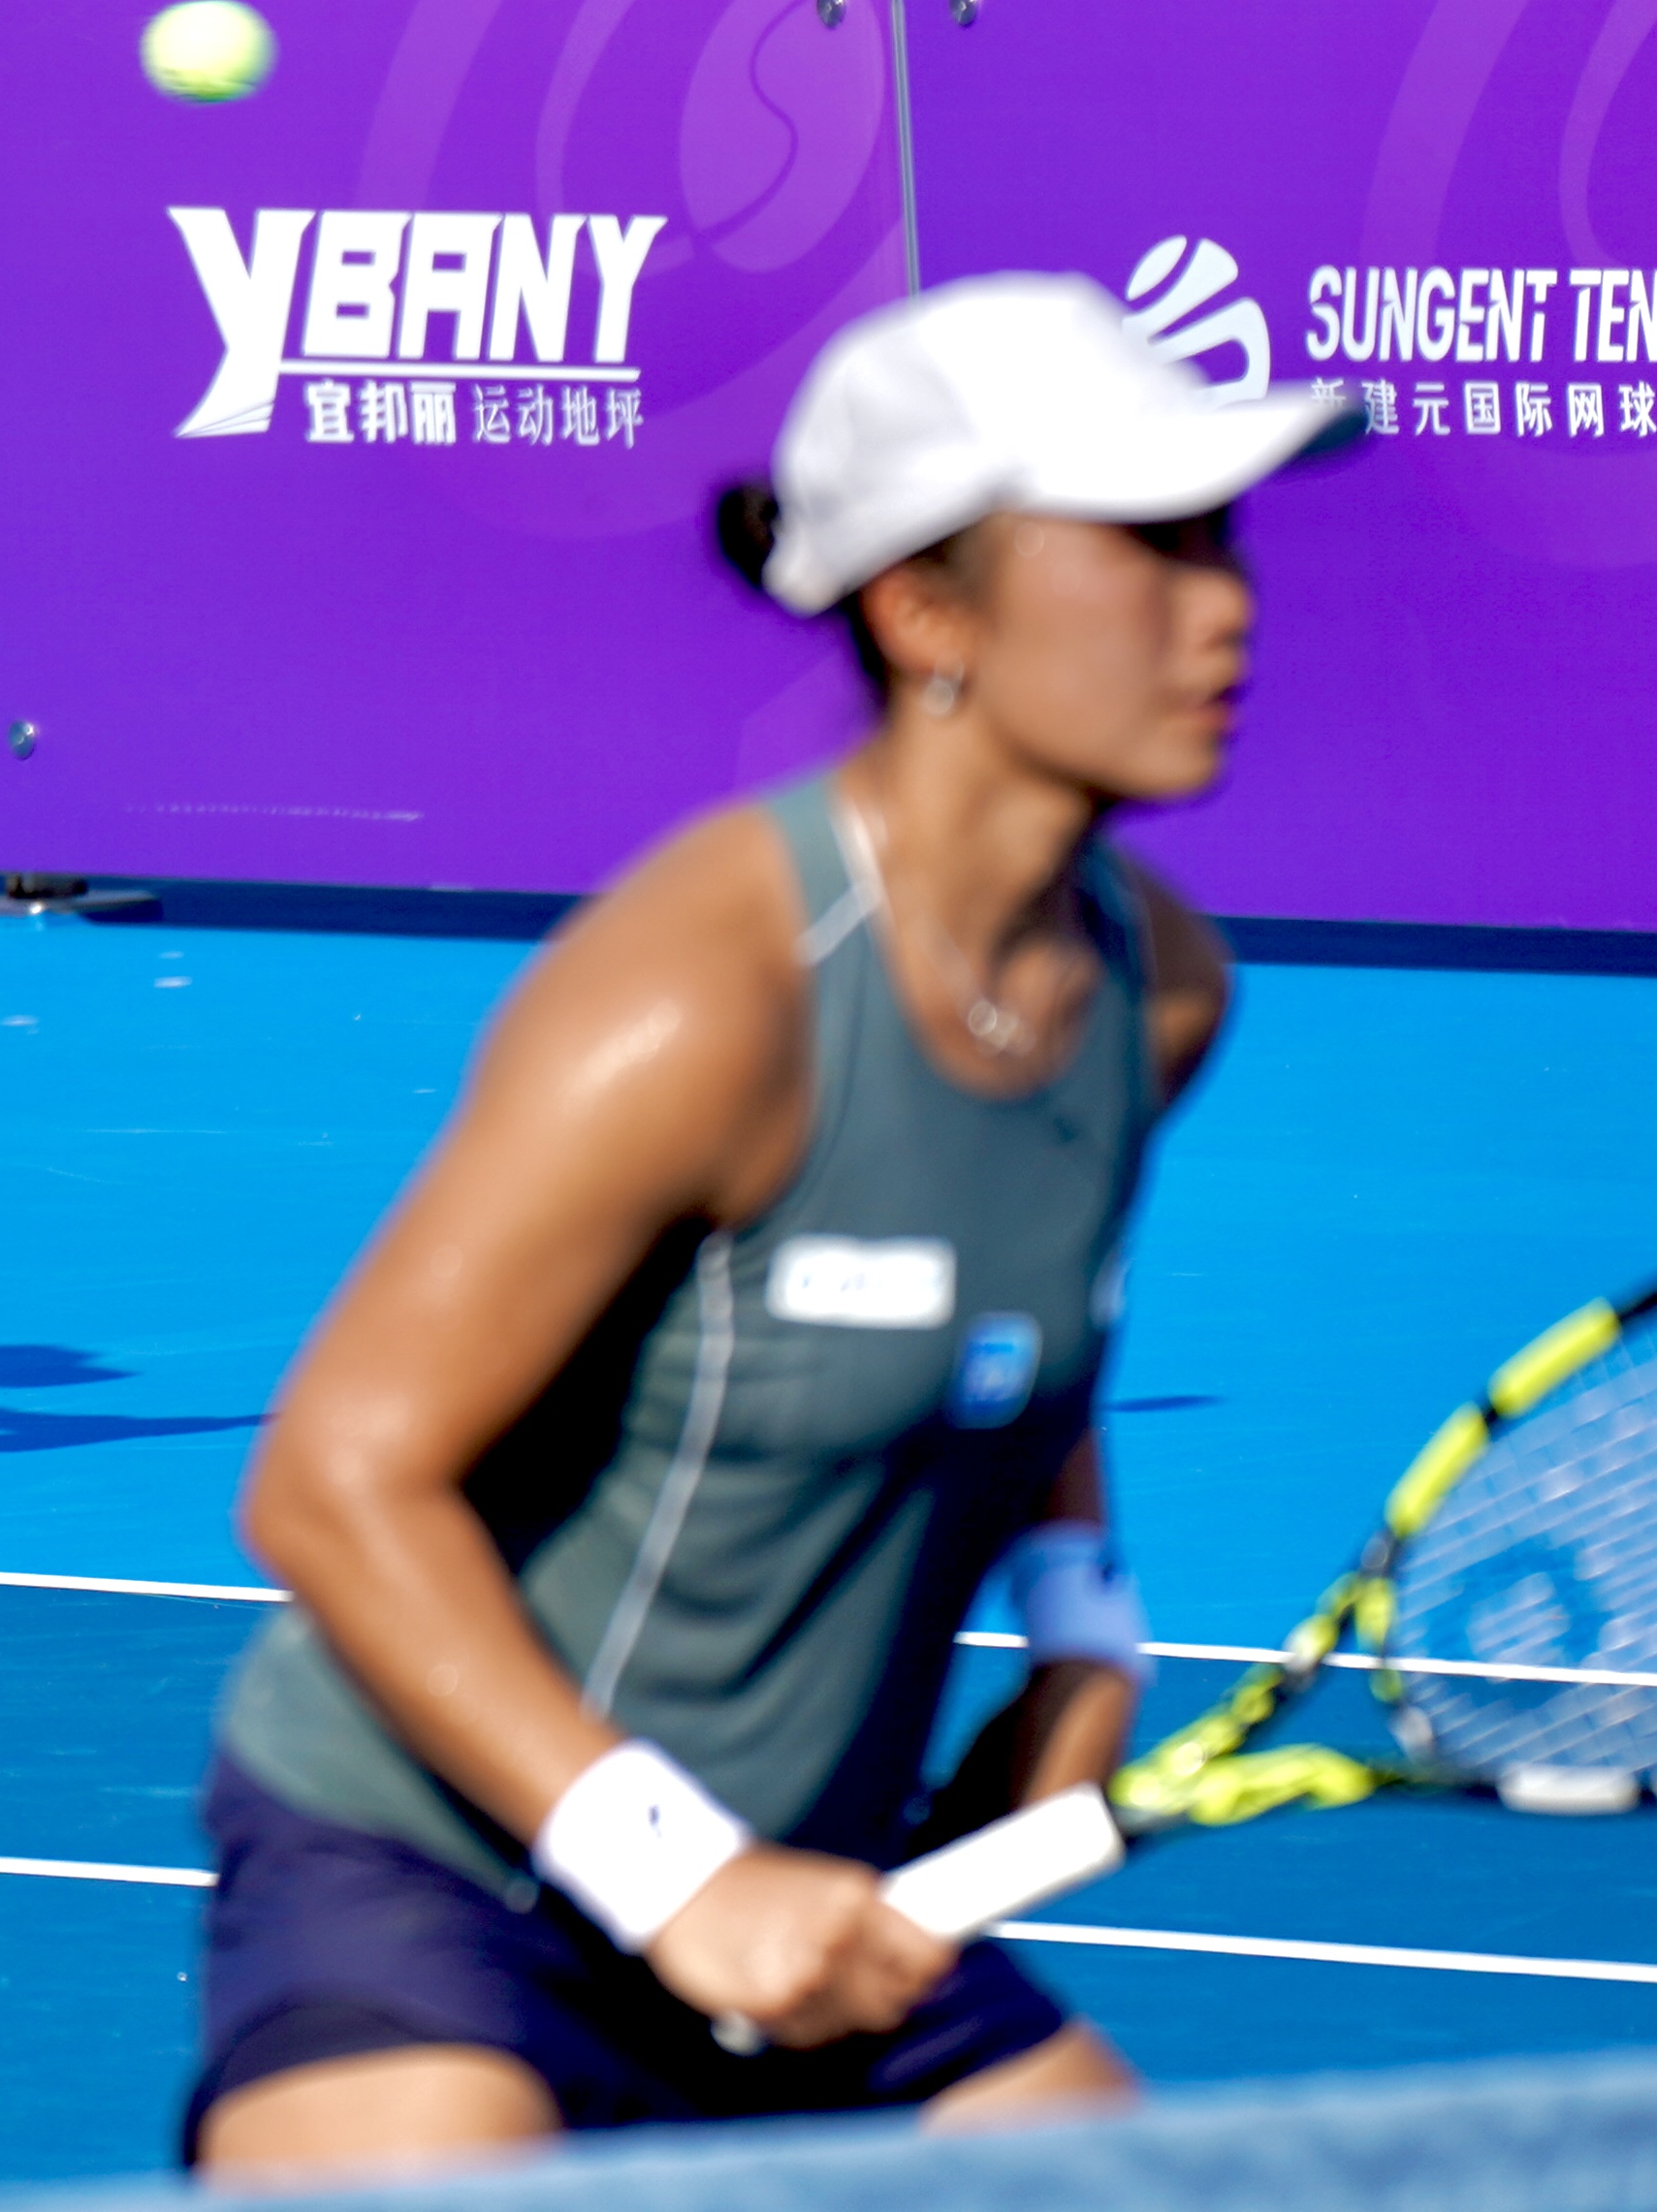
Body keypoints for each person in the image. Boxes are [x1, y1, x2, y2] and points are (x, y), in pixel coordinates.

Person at [185, 275, 1349, 2176]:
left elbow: (1025, 1325)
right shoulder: (701, 995)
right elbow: (329, 1482)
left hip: (814, 1886)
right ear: (923, 610)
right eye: (1143, 543)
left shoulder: (1154, 992)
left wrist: (1082, 1632)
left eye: (1216, 536)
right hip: (449, 1870)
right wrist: (673, 1871)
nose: (1219, 603)